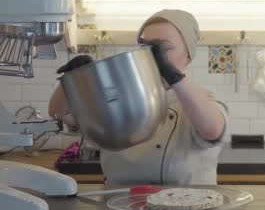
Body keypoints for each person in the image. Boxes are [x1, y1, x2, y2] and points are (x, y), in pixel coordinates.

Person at [48, 10, 228, 186]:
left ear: (188, 54)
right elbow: (60, 114)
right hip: (121, 205)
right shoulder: (119, 96)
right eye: (145, 47)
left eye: (163, 48)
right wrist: (71, 82)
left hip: (188, 208)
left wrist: (174, 76)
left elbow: (212, 130)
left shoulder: (202, 100)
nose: (152, 55)